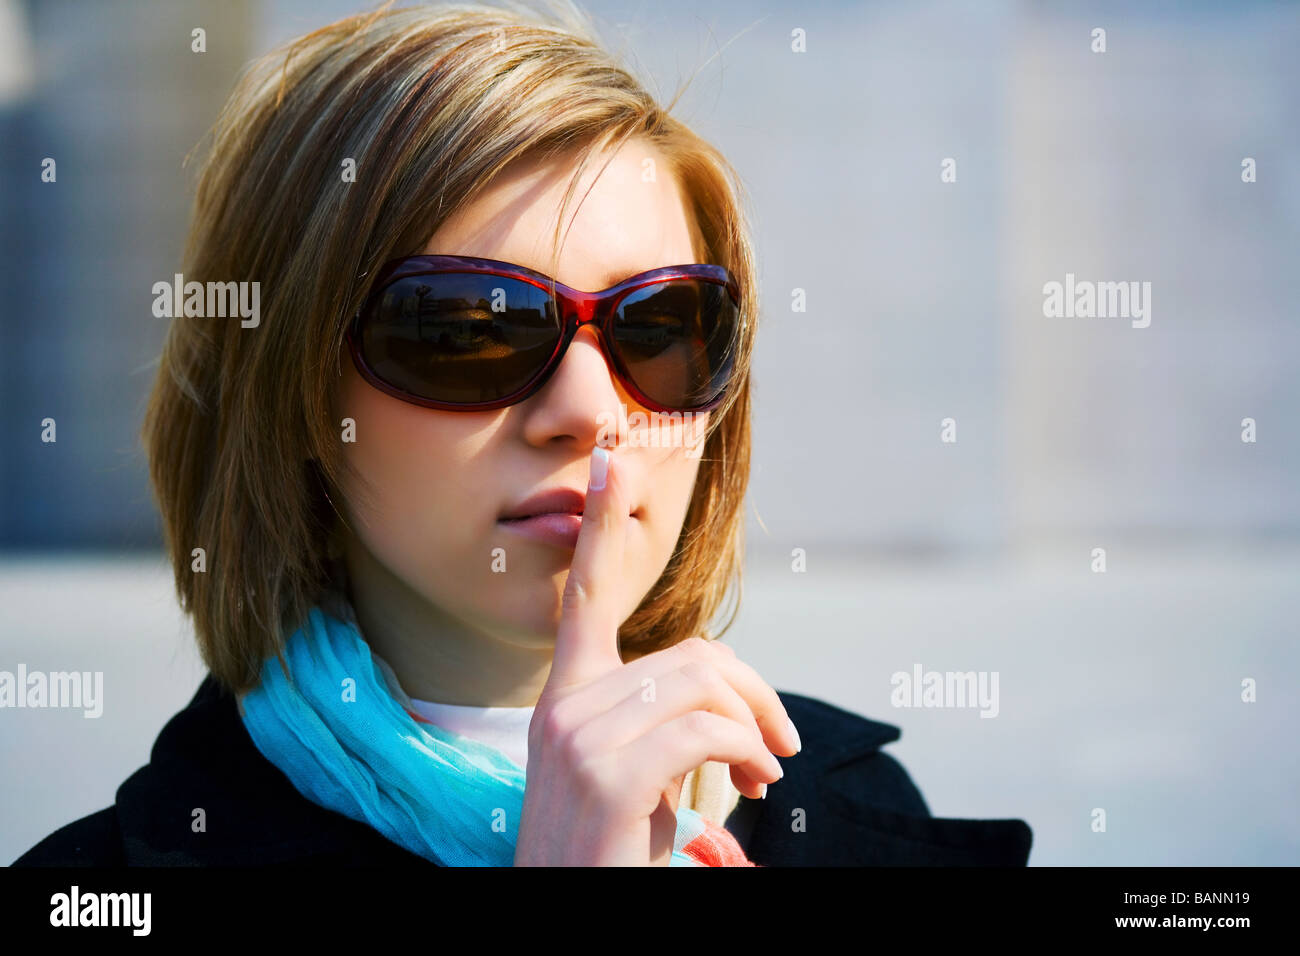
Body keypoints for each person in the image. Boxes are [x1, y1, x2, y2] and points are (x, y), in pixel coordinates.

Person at [13, 0, 1031, 867]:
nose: (591, 410)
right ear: (295, 397)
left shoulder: (865, 816)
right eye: (468, 331)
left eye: (662, 327)